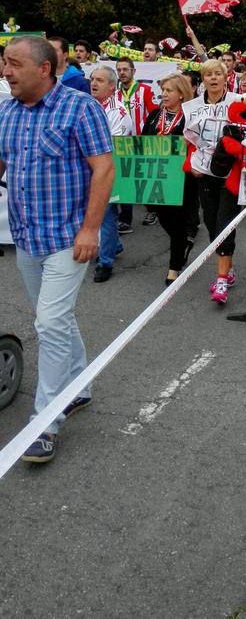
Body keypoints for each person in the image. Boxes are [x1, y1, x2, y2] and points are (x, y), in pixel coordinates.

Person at [0, 36, 114, 463]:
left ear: (44, 69)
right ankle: (79, 386)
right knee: (55, 318)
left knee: (48, 322)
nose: (5, 71)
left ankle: (45, 422)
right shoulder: (6, 112)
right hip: (27, 238)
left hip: (69, 238)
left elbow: (103, 168)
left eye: (13, 63)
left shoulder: (80, 108)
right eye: (3, 62)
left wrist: (90, 229)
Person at [183, 59, 243, 305]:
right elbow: (189, 139)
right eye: (209, 74)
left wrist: (237, 146)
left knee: (225, 224)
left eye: (218, 73)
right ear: (203, 78)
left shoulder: (239, 102)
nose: (214, 78)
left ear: (226, 76)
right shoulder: (192, 106)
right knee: (211, 223)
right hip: (204, 173)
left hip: (231, 174)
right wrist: (190, 162)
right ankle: (227, 269)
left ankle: (220, 280)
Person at [142, 74, 197, 285]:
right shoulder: (155, 114)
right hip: (157, 176)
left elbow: (198, 142)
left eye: (169, 90)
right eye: (163, 90)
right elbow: (144, 139)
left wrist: (186, 141)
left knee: (178, 220)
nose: (163, 94)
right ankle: (182, 242)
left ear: (181, 94)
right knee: (162, 216)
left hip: (182, 178)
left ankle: (174, 267)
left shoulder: (190, 116)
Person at [90, 66, 132, 281]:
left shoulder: (119, 112)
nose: (94, 83)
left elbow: (113, 148)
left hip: (108, 169)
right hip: (89, 167)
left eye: (99, 80)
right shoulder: (88, 105)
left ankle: (105, 263)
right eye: (92, 79)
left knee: (105, 214)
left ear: (112, 86)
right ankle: (113, 245)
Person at [116, 56, 158, 232]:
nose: (122, 73)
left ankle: (152, 210)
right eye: (119, 70)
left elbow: (155, 113)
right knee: (125, 180)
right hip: (122, 142)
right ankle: (125, 219)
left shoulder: (145, 90)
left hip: (142, 140)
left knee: (144, 177)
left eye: (125, 69)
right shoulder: (115, 93)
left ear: (133, 71)